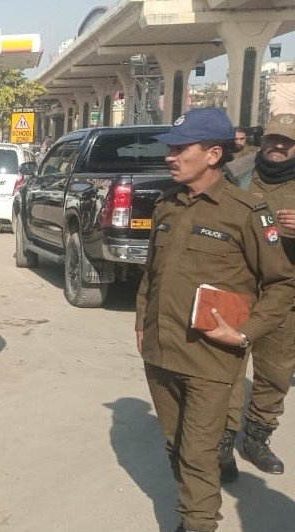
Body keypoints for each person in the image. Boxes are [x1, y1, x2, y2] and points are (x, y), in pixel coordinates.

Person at [135, 107, 295, 532]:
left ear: (213, 154)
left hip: (210, 358)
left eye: (180, 149)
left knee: (199, 455)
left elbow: (281, 283)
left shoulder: (246, 212)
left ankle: (197, 523)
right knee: (176, 447)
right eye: (170, 149)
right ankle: (192, 511)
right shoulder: (167, 204)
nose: (170, 157)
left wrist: (245, 334)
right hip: (161, 351)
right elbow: (151, 273)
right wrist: (141, 323)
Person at [221, 113, 295, 479]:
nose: (278, 146)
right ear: (262, 141)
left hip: (284, 294)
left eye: (287, 142)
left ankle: (257, 438)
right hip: (238, 287)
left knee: (276, 373)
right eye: (273, 139)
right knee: (228, 368)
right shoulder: (238, 174)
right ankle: (222, 441)